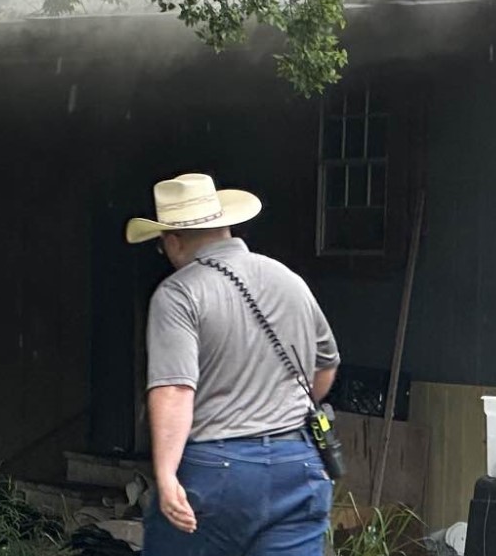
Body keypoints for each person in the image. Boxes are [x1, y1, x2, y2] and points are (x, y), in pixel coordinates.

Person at [126, 173, 341, 556]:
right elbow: (325, 369)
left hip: (217, 472)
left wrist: (165, 473)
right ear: (225, 225)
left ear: (172, 241)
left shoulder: (178, 293)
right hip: (299, 467)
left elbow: (175, 389)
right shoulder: (289, 280)